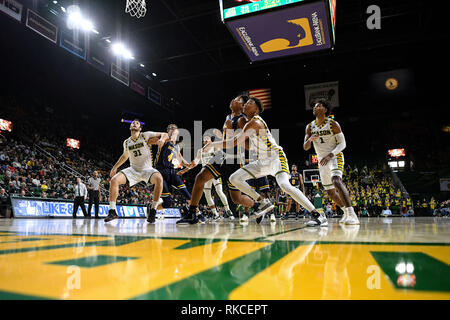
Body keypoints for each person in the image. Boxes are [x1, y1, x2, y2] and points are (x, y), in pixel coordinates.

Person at [208, 96, 324, 226]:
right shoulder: (247, 124)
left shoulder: (255, 122)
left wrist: (213, 144)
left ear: (256, 109)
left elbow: (234, 142)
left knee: (285, 186)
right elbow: (247, 146)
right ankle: (262, 202)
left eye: (250, 103)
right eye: (245, 103)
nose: (246, 104)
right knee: (234, 178)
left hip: (276, 158)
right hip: (262, 161)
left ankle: (317, 215)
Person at [179, 94, 271, 224]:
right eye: (235, 98)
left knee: (236, 199)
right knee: (200, 177)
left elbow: (249, 145)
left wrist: (232, 134)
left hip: (234, 161)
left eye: (238, 100)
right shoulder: (229, 117)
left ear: (243, 106)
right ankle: (193, 213)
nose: (234, 99)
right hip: (221, 156)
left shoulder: (242, 120)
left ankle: (256, 205)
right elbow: (226, 139)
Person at [303, 100, 359, 225]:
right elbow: (305, 147)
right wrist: (310, 140)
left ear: (325, 110)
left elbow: (342, 144)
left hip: (334, 156)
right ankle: (345, 212)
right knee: (330, 192)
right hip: (322, 160)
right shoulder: (310, 127)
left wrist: (330, 155)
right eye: (315, 106)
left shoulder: (333, 123)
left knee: (336, 180)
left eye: (319, 106)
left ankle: (352, 214)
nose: (315, 107)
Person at [104, 119, 168, 223]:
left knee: (159, 178)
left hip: (147, 169)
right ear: (130, 127)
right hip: (133, 170)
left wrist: (162, 139)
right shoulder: (126, 142)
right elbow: (125, 156)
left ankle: (153, 210)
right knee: (114, 180)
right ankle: (112, 211)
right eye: (133, 123)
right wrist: (115, 167)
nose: (134, 123)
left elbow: (164, 134)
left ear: (140, 128)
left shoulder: (145, 135)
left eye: (137, 123)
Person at [177, 134, 232, 221]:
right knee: (207, 194)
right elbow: (194, 163)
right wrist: (184, 170)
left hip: (214, 172)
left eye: (207, 139)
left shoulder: (214, 148)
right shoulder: (200, 151)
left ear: (211, 140)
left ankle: (228, 210)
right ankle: (215, 213)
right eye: (204, 140)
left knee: (219, 191)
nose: (205, 140)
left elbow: (222, 156)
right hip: (205, 174)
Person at [154, 124, 194, 220]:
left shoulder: (177, 146)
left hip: (171, 171)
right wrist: (161, 140)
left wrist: (187, 164)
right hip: (160, 172)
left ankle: (196, 214)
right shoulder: (165, 139)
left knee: (187, 193)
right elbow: (160, 141)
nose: (173, 130)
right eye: (171, 129)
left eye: (174, 129)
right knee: (167, 203)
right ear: (168, 131)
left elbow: (180, 158)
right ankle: (152, 209)